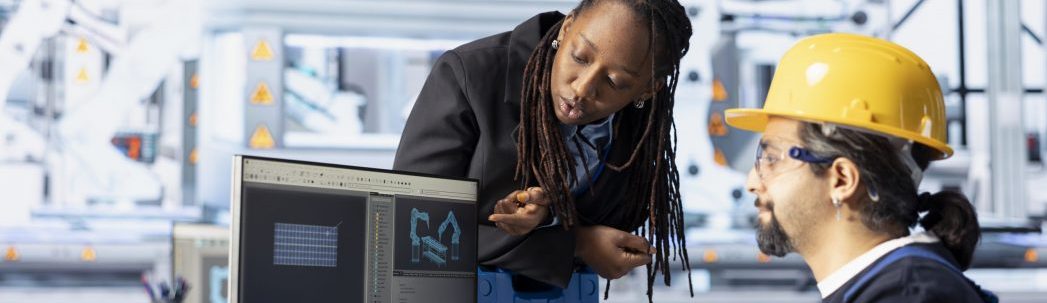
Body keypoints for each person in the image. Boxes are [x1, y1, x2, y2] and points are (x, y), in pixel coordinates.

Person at [392, 0, 693, 298]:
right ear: (567, 27)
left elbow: (617, 221)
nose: (583, 89)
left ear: (648, 89)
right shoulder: (470, 74)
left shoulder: (641, 121)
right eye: (580, 57)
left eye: (614, 82)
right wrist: (577, 244)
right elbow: (412, 228)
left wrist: (552, 216)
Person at [726, 33, 997, 302]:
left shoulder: (907, 295)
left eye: (771, 159)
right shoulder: (897, 287)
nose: (752, 181)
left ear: (842, 180)